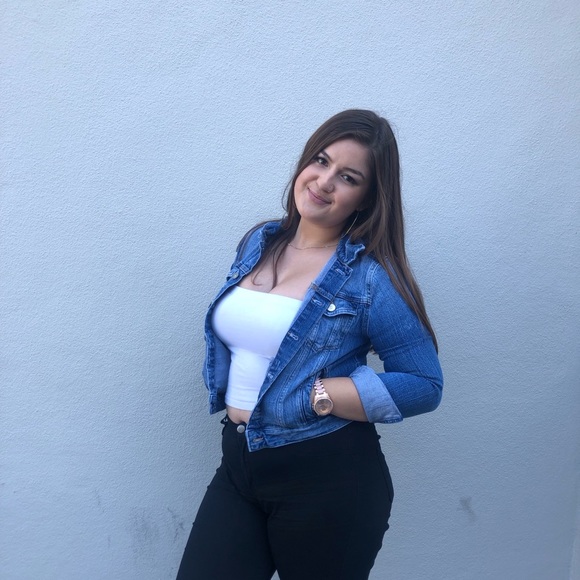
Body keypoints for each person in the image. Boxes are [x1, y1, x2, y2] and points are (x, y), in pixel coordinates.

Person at [176, 109, 443, 580]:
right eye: (321, 160)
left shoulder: (371, 278)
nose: (324, 181)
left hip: (327, 479)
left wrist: (321, 394)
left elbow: (424, 383)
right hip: (240, 461)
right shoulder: (259, 243)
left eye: (348, 177)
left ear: (367, 198)